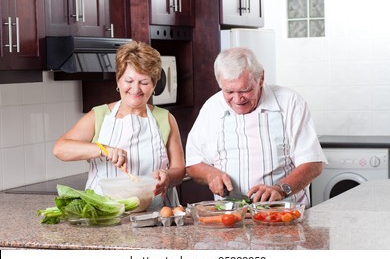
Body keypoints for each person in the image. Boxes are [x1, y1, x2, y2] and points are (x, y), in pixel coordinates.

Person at [185, 47, 327, 207]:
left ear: (261, 79)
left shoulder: (290, 102)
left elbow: (313, 163)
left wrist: (281, 189)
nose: (238, 99)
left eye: (245, 90)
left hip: (285, 216)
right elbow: (193, 162)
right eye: (229, 91)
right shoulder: (212, 108)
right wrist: (210, 175)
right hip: (231, 219)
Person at [53, 41, 185, 210]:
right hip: (105, 216)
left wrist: (167, 176)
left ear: (154, 84)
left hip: (155, 215)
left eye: (143, 82)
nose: (135, 89)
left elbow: (179, 169)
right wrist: (103, 149)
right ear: (118, 80)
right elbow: (60, 149)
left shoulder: (165, 119)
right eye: (128, 80)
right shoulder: (99, 115)